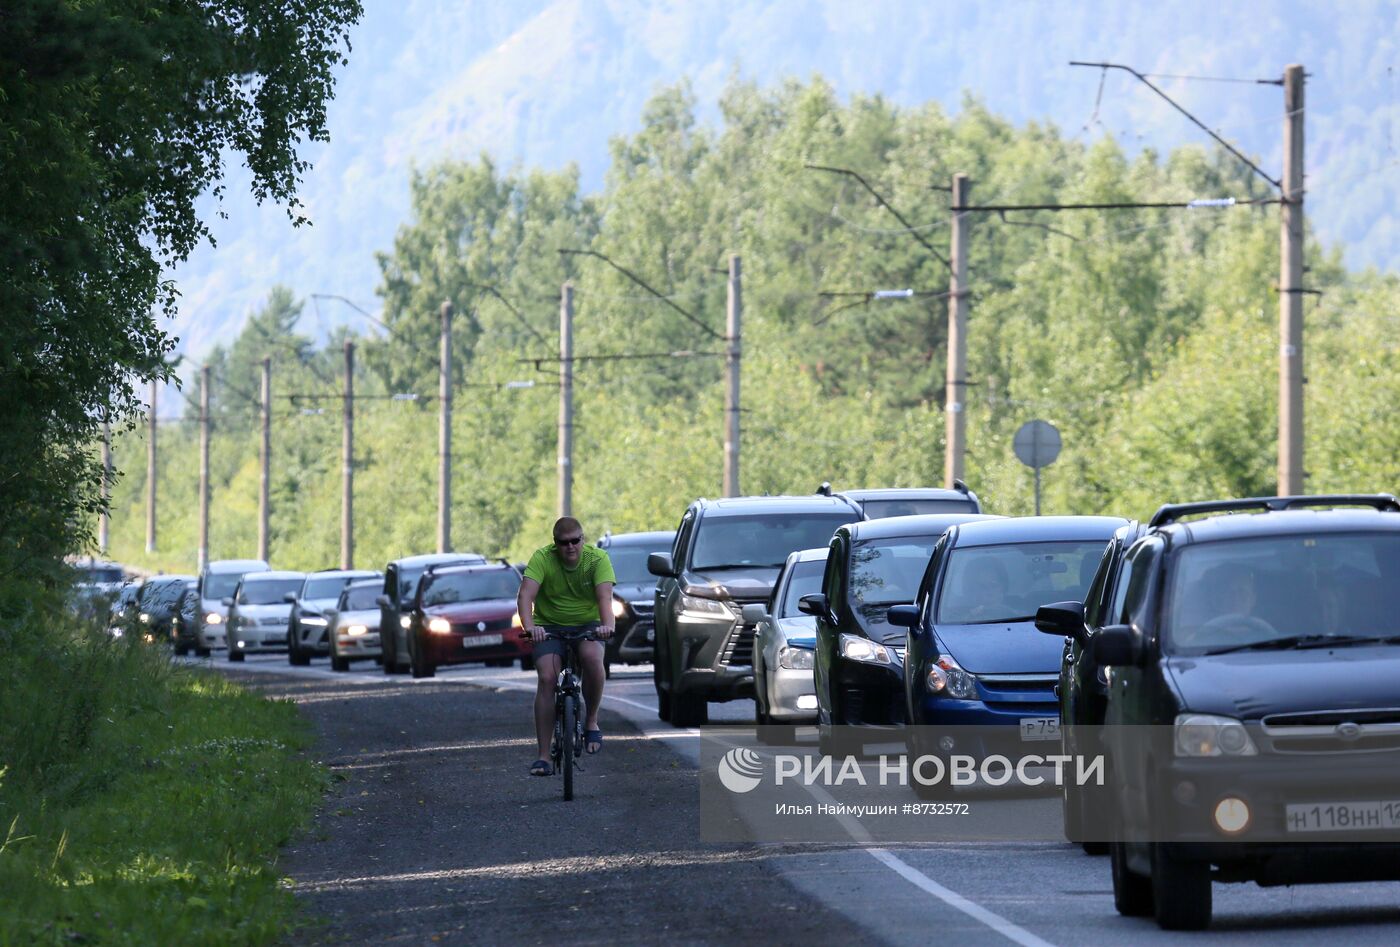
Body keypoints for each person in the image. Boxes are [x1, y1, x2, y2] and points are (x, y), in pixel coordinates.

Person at [517, 516, 616, 776]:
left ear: (583, 539)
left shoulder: (597, 559)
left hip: (588, 625)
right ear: (555, 544)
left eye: (576, 541)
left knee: (593, 660)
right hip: (548, 627)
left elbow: (605, 598)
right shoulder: (542, 558)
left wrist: (607, 626)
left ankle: (591, 720)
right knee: (547, 677)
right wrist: (530, 629)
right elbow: (526, 595)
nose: (570, 547)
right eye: (564, 543)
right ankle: (543, 757)